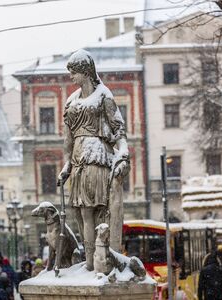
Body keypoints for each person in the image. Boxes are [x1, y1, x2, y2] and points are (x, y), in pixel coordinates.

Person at [58, 49, 130, 270]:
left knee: (97, 212)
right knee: (82, 214)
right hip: (79, 160)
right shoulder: (71, 101)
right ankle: (90, 263)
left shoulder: (103, 95)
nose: (71, 77)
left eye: (74, 73)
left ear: (85, 71)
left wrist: (123, 152)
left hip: (97, 156)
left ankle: (100, 259)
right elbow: (67, 139)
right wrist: (67, 164)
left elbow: (119, 129)